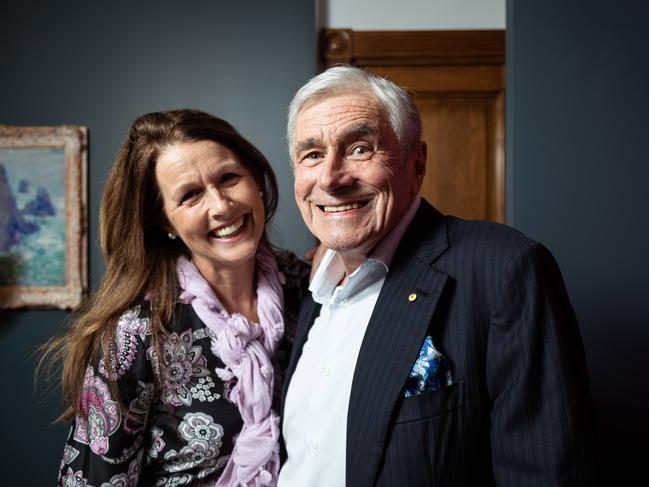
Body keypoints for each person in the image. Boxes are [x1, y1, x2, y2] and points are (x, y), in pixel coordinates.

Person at [278, 66, 597, 486]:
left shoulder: (501, 267)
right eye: (312, 155)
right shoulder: (310, 288)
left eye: (359, 148)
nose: (331, 178)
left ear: (417, 164)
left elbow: (547, 472)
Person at [41, 109, 309, 486]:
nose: (221, 206)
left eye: (229, 178)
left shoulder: (310, 289)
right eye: (190, 195)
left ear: (256, 179)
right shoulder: (134, 336)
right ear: (165, 221)